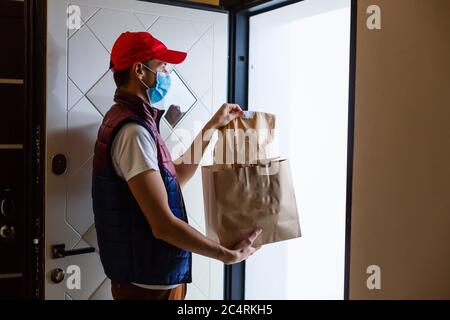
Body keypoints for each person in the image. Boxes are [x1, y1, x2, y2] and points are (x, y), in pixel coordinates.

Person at [92, 31, 262, 300]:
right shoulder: (133, 133)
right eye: (162, 66)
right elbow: (163, 225)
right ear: (140, 71)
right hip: (146, 288)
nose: (167, 73)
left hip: (154, 280)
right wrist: (226, 255)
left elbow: (175, 178)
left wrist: (212, 127)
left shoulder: (136, 121)